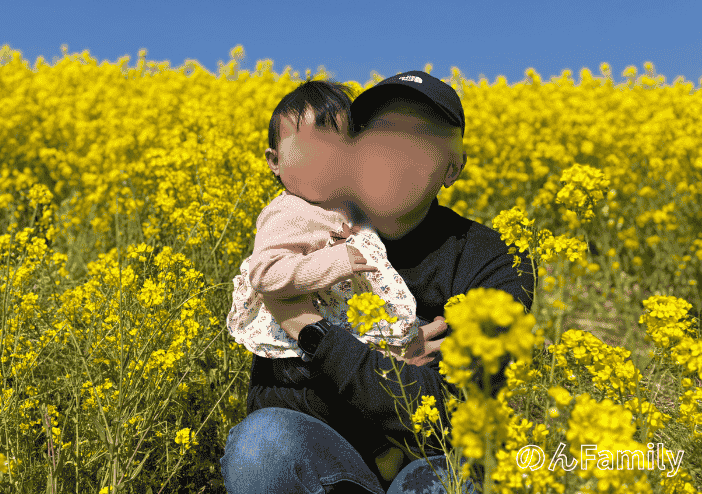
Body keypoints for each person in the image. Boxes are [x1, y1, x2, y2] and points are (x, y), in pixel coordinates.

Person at [220, 71, 535, 494]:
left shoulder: (495, 259)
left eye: (419, 137)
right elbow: (273, 400)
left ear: (453, 167)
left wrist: (311, 331)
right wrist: (388, 364)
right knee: (262, 444)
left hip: (431, 463)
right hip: (327, 462)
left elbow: (449, 410)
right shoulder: (311, 226)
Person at [225, 80, 422, 364]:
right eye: (308, 151)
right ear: (275, 161)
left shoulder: (349, 207)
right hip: (301, 351)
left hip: (352, 336)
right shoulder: (290, 211)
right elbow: (265, 273)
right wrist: (332, 263)